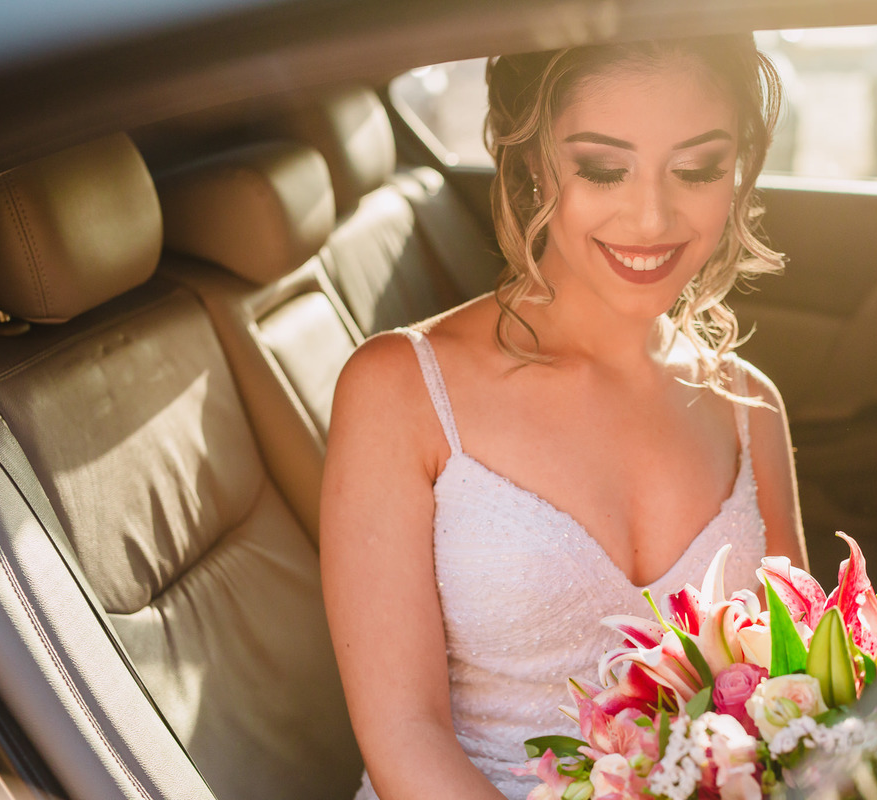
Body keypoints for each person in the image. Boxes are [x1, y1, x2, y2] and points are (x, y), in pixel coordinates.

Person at [320, 34, 808, 800]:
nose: (651, 216)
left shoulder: (749, 406)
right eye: (604, 169)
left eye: (698, 169)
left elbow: (795, 687)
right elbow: (404, 735)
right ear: (532, 163)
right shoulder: (399, 390)